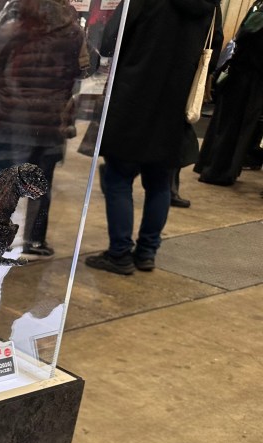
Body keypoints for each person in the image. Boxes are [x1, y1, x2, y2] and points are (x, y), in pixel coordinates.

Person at [85, 0, 220, 276]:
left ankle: (119, 253)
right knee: (160, 183)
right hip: (175, 108)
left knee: (118, 178)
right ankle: (147, 253)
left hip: (132, 99)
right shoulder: (210, 6)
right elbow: (213, 55)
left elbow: (110, 41)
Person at [0, 0, 86, 258]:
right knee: (40, 183)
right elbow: (85, 68)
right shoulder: (73, 31)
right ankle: (34, 240)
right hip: (49, 119)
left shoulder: (13, 23)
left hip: (9, 116)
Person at [195, 1, 263, 186]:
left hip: (242, 71)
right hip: (249, 75)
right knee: (234, 125)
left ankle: (211, 166)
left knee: (226, 123)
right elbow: (249, 35)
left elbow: (245, 34)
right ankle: (218, 171)